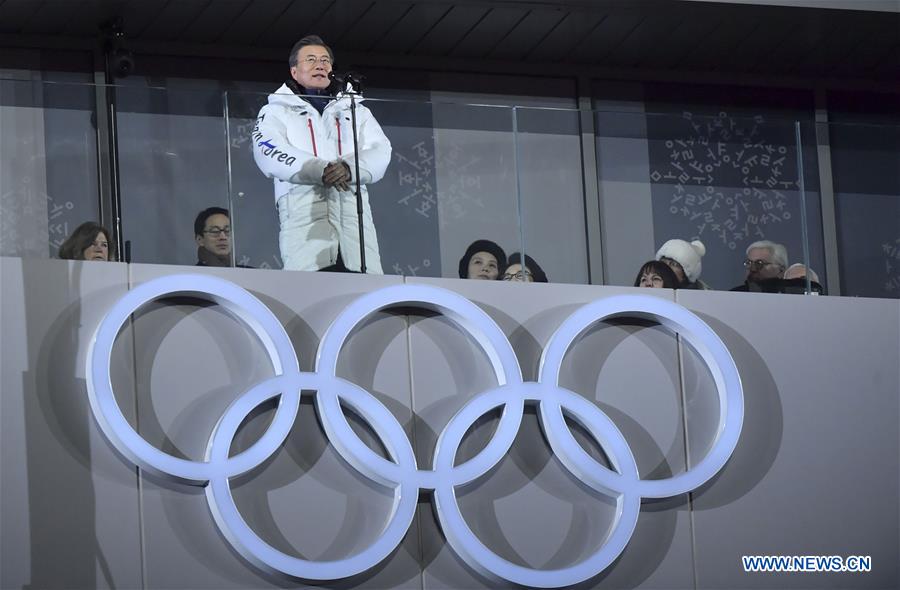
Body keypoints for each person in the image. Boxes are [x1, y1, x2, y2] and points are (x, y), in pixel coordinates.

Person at [252, 34, 391, 273]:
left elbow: (381, 149)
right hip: (304, 226)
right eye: (311, 59)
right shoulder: (276, 110)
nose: (320, 65)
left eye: (325, 60)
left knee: (363, 296)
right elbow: (266, 148)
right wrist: (320, 170)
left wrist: (348, 169)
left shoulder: (354, 108)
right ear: (294, 71)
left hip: (354, 226)